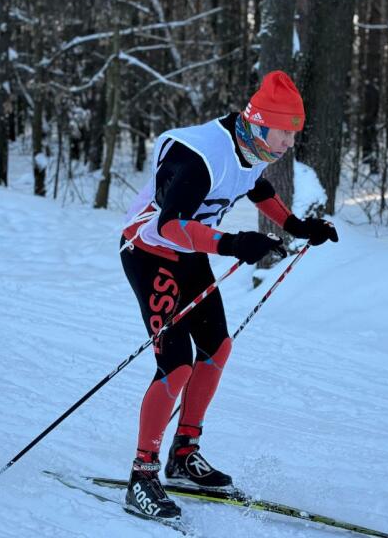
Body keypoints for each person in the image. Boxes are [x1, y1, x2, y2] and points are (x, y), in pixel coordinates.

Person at [119, 70, 338, 520]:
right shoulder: (199, 155)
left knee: (218, 346)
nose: (289, 144)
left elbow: (254, 185)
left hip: (187, 252)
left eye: (294, 135)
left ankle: (184, 455)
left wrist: (297, 227)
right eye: (284, 134)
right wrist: (232, 243)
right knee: (176, 359)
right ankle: (142, 476)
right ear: (259, 124)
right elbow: (166, 225)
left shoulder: (251, 146)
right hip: (148, 250)